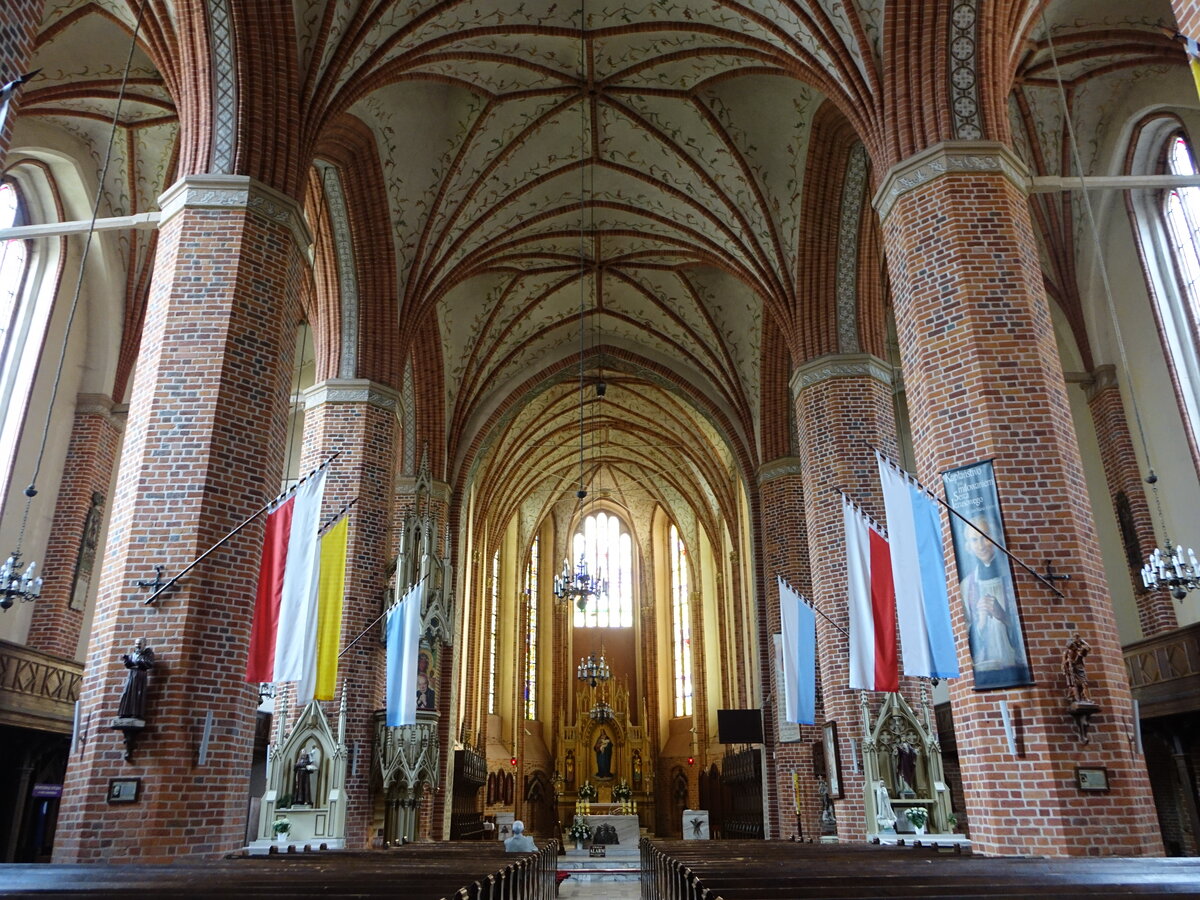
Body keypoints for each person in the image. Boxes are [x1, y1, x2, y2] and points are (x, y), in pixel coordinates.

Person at [960, 515, 1029, 678]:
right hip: (986, 669)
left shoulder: (1014, 576)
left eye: (985, 537)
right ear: (968, 546)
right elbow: (963, 632)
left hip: (1018, 667)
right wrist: (980, 625)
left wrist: (1004, 617)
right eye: (974, 540)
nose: (981, 546)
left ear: (996, 538)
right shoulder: (966, 586)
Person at [116, 638, 154, 721]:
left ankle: (136, 713)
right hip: (131, 674)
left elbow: (149, 663)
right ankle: (124, 712)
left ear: (144, 644)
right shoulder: (133, 654)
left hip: (140, 675)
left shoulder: (147, 653)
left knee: (137, 693)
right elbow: (129, 664)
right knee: (127, 692)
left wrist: (140, 661)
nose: (137, 646)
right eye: (136, 644)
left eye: (139, 644)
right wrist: (127, 660)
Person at [1062, 632, 1093, 704]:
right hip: (1071, 668)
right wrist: (1066, 665)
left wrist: (1081, 641)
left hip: (1079, 667)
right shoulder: (1067, 652)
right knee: (1073, 683)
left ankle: (1085, 697)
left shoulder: (1080, 650)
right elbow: (1064, 662)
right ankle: (1074, 697)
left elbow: (1088, 648)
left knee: (1084, 683)